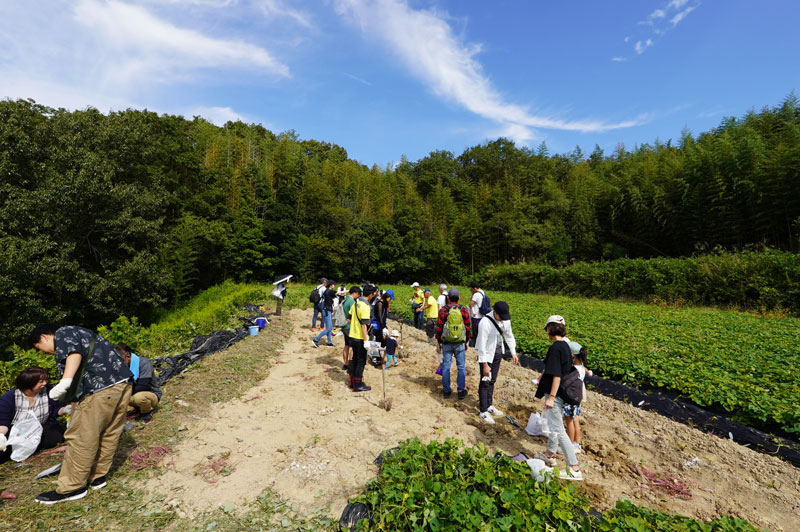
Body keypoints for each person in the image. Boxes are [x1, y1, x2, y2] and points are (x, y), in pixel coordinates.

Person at [28, 324, 134, 503]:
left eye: (41, 349)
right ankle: (98, 476)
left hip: (99, 390)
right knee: (109, 432)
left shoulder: (63, 332)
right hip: (121, 385)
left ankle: (72, 487)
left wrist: (65, 381)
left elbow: (73, 354)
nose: (46, 354)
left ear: (44, 337)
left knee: (81, 437)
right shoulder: (83, 333)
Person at [533, 319, 583, 481]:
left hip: (556, 394)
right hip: (561, 393)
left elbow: (556, 374)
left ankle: (574, 468)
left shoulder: (556, 348)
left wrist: (552, 397)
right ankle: (549, 454)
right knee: (556, 427)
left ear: (550, 330)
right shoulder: (565, 347)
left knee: (559, 430)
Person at [0, 367, 68, 463]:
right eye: (40, 381)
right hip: (17, 431)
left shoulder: (48, 391)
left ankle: (34, 451)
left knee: (55, 435)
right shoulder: (8, 399)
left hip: (40, 427)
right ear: (29, 382)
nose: (44, 383)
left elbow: (55, 410)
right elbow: (3, 422)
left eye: (45, 380)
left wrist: (66, 409)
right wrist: (1, 435)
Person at [474, 301, 518, 424]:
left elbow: (509, 335)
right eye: (501, 317)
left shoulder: (505, 320)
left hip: (498, 352)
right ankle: (483, 411)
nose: (503, 320)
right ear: (495, 312)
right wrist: (485, 365)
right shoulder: (485, 323)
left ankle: (489, 405)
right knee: (485, 380)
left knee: (492, 380)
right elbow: (482, 345)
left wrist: (513, 352)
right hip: (487, 354)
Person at [435, 288, 471, 399]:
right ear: (459, 298)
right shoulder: (463, 310)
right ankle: (460, 391)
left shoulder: (443, 310)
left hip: (447, 342)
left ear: (448, 298)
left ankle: (446, 390)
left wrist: (438, 342)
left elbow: (439, 327)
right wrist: (467, 341)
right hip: (459, 342)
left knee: (446, 366)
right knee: (461, 366)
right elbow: (468, 327)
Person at [114, 344, 162, 423]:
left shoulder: (144, 363)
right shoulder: (122, 367)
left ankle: (147, 412)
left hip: (150, 395)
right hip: (133, 393)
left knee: (139, 397)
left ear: (128, 357)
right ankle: (138, 410)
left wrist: (124, 393)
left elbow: (143, 386)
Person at [347, 285, 376, 392]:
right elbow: (364, 325)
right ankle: (358, 384)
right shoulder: (365, 306)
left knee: (354, 359)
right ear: (371, 294)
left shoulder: (356, 303)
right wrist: (366, 340)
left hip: (352, 335)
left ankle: (353, 382)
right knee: (361, 361)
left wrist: (354, 325)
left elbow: (348, 318)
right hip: (360, 338)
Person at [564, 341, 591, 454]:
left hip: (570, 396)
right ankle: (576, 444)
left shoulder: (573, 368)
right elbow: (586, 370)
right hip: (577, 396)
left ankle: (569, 445)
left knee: (569, 420)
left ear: (572, 355)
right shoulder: (581, 365)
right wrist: (589, 372)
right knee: (576, 419)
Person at [312, 280, 337, 348]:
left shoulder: (326, 291)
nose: (334, 286)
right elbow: (338, 292)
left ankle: (329, 342)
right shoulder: (328, 291)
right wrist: (348, 291)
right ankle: (316, 339)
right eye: (334, 284)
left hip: (327, 309)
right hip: (326, 310)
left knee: (330, 327)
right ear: (331, 285)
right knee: (328, 328)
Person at [340, 286, 359, 371]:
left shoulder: (345, 299)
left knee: (346, 346)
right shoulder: (351, 302)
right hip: (350, 326)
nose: (358, 296)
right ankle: (351, 364)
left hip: (344, 326)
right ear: (354, 293)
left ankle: (345, 363)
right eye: (358, 294)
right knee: (353, 347)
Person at [468, 281, 487, 347]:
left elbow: (470, 305)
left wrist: (472, 295)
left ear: (475, 288)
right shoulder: (482, 292)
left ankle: (476, 344)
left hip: (475, 315)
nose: (470, 290)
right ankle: (479, 343)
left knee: (475, 330)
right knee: (479, 330)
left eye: (471, 289)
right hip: (481, 314)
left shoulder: (476, 294)